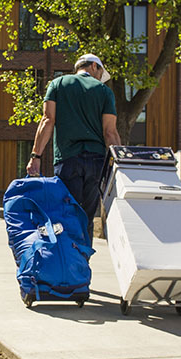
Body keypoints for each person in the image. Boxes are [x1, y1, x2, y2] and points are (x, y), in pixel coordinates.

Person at [25, 53, 122, 241]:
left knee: (66, 214)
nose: (100, 78)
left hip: (67, 160)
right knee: (86, 217)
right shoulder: (104, 91)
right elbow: (110, 132)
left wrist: (35, 156)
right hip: (96, 162)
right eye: (101, 72)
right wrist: (120, 166)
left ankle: (66, 262)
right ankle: (83, 264)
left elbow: (47, 120)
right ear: (94, 66)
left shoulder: (58, 84)